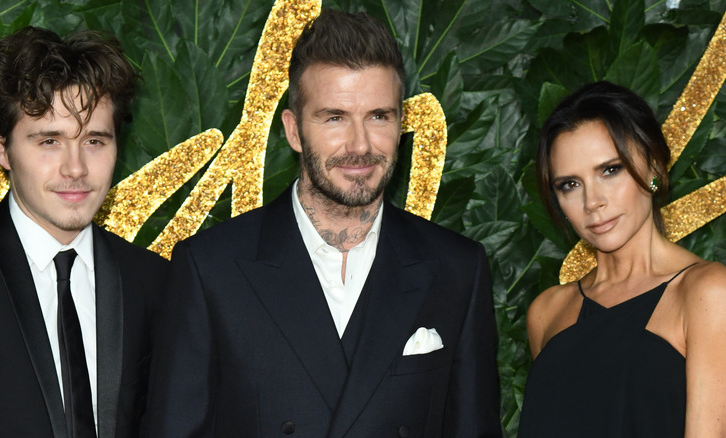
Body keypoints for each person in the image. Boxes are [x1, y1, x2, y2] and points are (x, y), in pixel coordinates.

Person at [144, 8, 501, 438]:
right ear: (294, 131)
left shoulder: (457, 268)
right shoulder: (210, 267)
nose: (361, 144)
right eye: (334, 117)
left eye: (378, 116)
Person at [0, 27, 167, 437]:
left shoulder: (155, 282)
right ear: (2, 149)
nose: (76, 168)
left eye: (95, 141)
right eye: (49, 140)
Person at [519, 81, 726, 437]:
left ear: (653, 166)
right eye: (570, 184)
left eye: (609, 170)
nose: (592, 202)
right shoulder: (547, 312)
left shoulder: (707, 293)